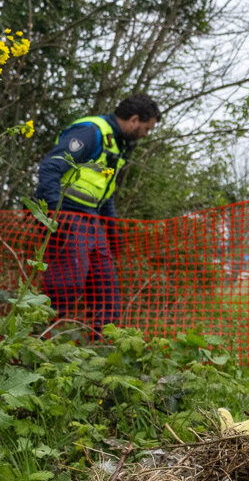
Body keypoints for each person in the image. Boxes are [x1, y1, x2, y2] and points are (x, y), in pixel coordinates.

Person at [34, 94, 160, 333]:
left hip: (92, 219)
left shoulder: (117, 145)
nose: (146, 134)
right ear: (134, 120)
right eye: (146, 128)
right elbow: (50, 167)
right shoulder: (91, 132)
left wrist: (113, 233)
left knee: (106, 287)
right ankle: (35, 335)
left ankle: (102, 341)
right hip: (67, 214)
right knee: (67, 285)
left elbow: (105, 194)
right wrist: (54, 215)